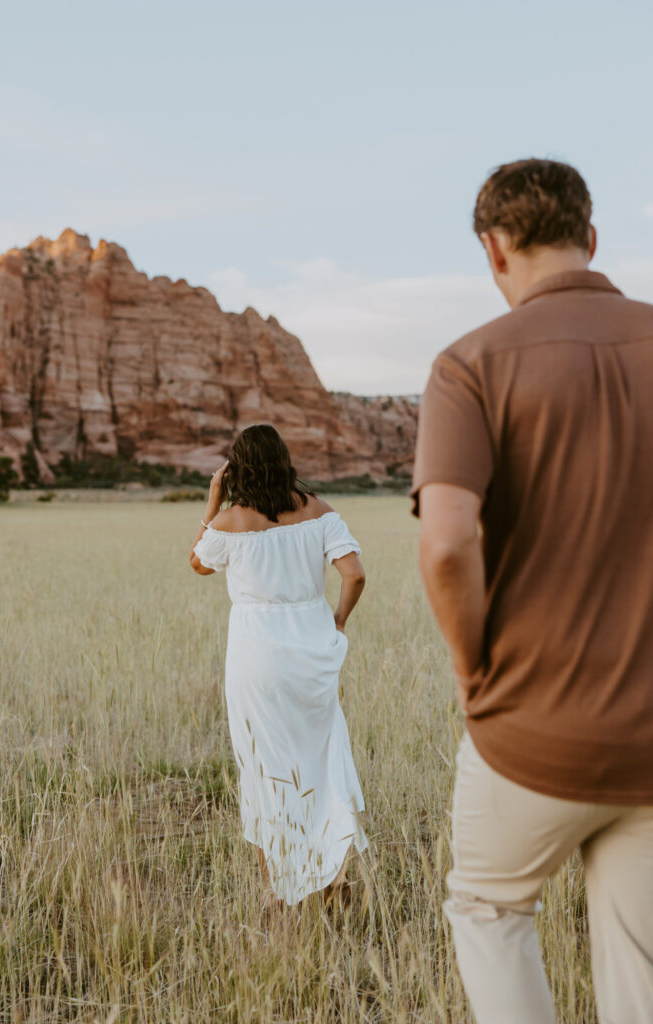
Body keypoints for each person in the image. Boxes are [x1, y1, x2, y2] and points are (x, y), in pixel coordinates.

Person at [412, 158, 653, 1023]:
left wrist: (475, 672)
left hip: (530, 730)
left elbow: (445, 544)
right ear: (589, 237)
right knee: (638, 954)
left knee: (488, 907)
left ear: (493, 249)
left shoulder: (467, 364)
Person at [189, 423, 367, 907]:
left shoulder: (230, 522)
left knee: (263, 768)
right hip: (312, 654)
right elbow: (354, 574)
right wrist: (338, 620)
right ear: (284, 459)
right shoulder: (319, 511)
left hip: (256, 657)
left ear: (237, 467)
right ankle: (332, 880)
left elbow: (198, 563)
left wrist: (212, 500)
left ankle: (276, 889)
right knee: (320, 763)